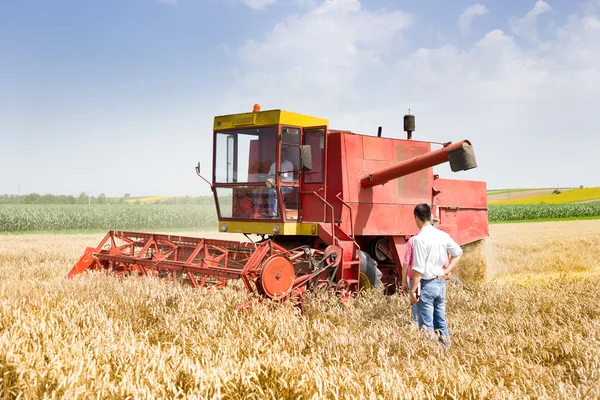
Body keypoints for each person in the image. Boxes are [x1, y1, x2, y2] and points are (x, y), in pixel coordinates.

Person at [409, 203, 463, 349]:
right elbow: (458, 252)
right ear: (430, 216)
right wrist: (446, 271)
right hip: (440, 284)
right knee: (441, 322)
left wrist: (413, 290)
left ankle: (431, 357)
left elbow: (418, 268)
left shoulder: (419, 239)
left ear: (416, 218)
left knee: (426, 325)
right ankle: (447, 351)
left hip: (426, 285)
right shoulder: (442, 235)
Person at [253, 148, 297, 217]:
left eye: (282, 154)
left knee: (272, 192)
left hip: (286, 186)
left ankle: (272, 214)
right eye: (279, 154)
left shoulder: (288, 164)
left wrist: (273, 177)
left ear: (285, 155)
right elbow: (269, 176)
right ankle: (260, 212)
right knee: (256, 192)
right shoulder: (274, 164)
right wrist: (263, 177)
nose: (281, 156)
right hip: (274, 185)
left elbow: (283, 178)